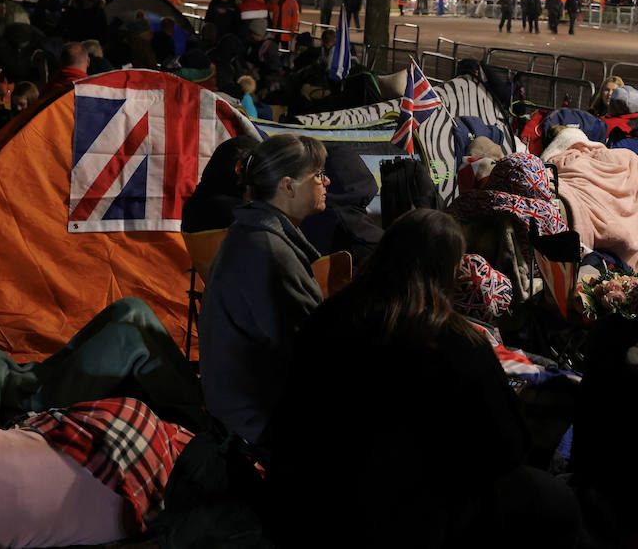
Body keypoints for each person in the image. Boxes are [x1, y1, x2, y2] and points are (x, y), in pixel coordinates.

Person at [264, 209, 578, 547]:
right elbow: (508, 446)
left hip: (313, 500)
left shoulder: (327, 318)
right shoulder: (456, 342)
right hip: (413, 516)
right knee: (552, 499)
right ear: (449, 272)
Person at [198, 134, 328, 444]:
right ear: (287, 186)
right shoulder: (268, 250)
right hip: (256, 422)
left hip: (236, 408)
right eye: (318, 175)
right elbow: (313, 351)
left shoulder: (252, 232)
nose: (327, 181)